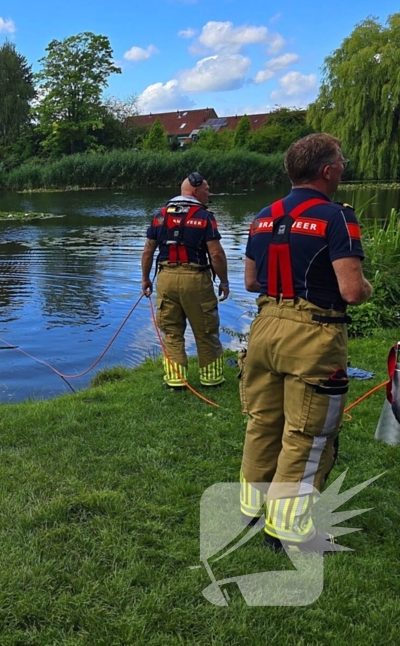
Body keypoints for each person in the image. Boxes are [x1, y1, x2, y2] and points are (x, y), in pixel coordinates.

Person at [238, 133, 372, 553]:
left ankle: (251, 509)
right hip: (313, 333)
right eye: (341, 163)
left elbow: (250, 281)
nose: (343, 168)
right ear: (327, 171)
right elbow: (351, 291)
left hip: (264, 327)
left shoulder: (263, 215)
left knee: (263, 421)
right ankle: (290, 529)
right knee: (309, 433)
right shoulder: (337, 217)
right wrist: (367, 286)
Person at [141, 172, 230, 390]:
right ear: (194, 191)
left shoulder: (160, 215)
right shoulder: (205, 216)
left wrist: (145, 279)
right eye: (206, 190)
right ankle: (211, 379)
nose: (209, 193)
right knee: (206, 330)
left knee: (171, 331)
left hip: (166, 278)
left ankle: (175, 380)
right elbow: (216, 254)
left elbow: (148, 251)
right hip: (196, 278)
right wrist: (225, 281)